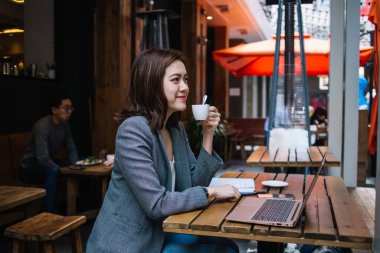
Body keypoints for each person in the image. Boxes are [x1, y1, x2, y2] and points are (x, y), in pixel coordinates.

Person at [86, 48, 240, 253]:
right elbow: (156, 204)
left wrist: (208, 133)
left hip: (161, 231)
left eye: (185, 79)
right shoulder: (133, 129)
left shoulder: (176, 130)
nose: (185, 87)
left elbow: (194, 184)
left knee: (229, 245)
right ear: (152, 84)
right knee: (226, 251)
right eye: (175, 80)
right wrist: (212, 192)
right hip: (128, 244)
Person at [20, 96, 78, 213]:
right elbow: (42, 158)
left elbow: (71, 150)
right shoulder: (42, 126)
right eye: (66, 108)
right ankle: (51, 212)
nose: (69, 112)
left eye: (71, 108)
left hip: (45, 163)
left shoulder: (65, 126)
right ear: (54, 110)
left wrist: (76, 165)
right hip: (29, 167)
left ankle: (76, 203)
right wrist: (60, 169)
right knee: (54, 170)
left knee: (76, 162)